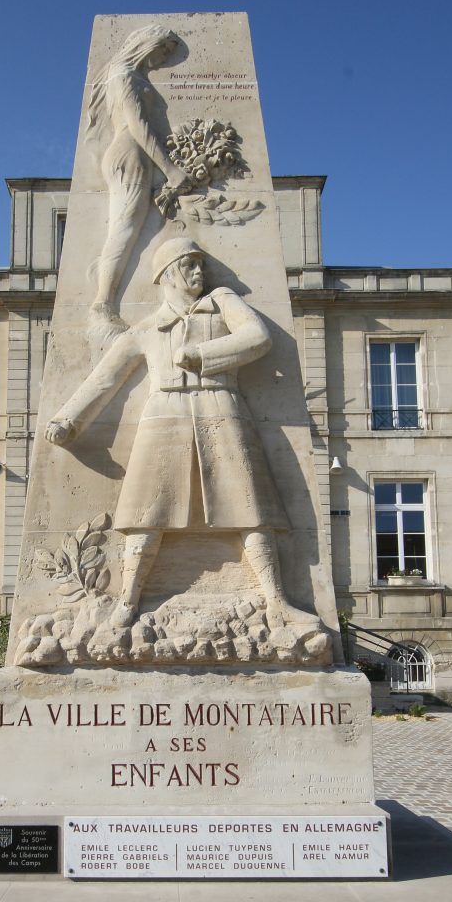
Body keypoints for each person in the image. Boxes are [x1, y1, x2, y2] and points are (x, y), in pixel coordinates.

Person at [47, 237, 332, 664]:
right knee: (145, 513)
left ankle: (275, 601)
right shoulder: (145, 330)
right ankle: (127, 601)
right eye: (190, 265)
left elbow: (258, 338)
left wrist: (201, 354)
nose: (200, 273)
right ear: (167, 274)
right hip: (164, 415)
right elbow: (104, 379)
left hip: (221, 405)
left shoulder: (222, 301)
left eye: (201, 264)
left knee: (251, 509)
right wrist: (68, 420)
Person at [86, 25, 192, 330]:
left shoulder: (133, 76)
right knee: (125, 228)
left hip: (138, 157)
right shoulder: (123, 76)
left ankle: (105, 300)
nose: (163, 60)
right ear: (148, 45)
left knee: (133, 228)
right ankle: (103, 303)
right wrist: (171, 170)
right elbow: (138, 126)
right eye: (163, 52)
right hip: (129, 155)